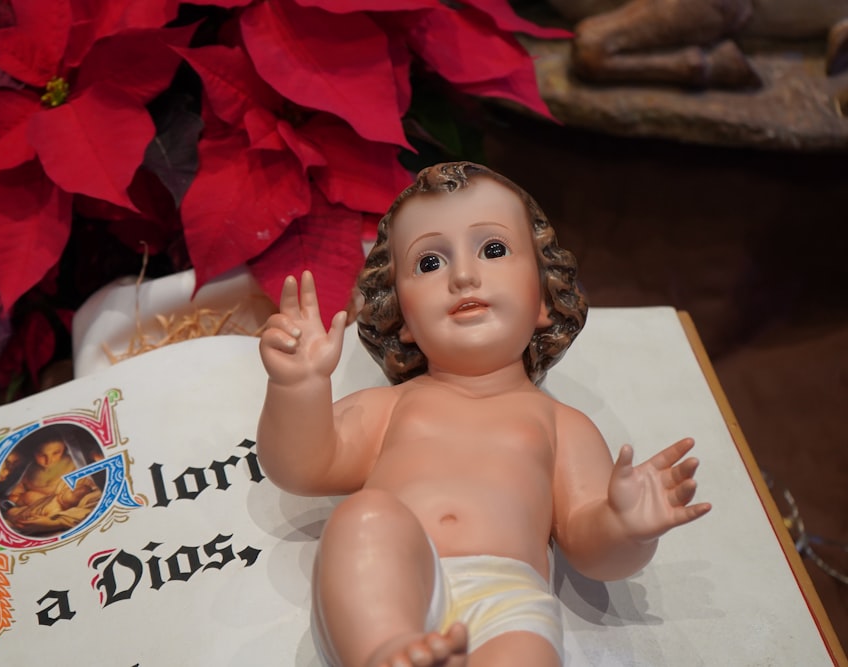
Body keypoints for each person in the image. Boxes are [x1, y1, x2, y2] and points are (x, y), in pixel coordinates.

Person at [256, 162, 711, 667]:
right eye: (429, 262)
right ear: (403, 318)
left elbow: (589, 548)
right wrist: (297, 387)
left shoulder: (562, 424)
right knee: (363, 518)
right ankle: (387, 653)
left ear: (543, 296)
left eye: (493, 250)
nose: (464, 275)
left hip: (506, 595)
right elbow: (303, 465)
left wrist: (626, 529)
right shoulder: (395, 407)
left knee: (525, 653)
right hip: (395, 580)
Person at [3, 438, 100, 535]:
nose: (49, 460)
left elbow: (92, 500)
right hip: (27, 512)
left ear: (64, 447)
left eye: (56, 453)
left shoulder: (76, 466)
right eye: (42, 455)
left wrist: (55, 522)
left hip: (57, 518)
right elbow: (15, 495)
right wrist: (24, 499)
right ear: (33, 452)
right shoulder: (29, 469)